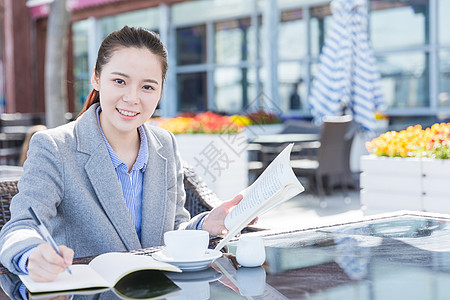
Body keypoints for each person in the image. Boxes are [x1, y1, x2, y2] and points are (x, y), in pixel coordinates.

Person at [0, 26, 247, 283]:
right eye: (120, 81)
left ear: (161, 89)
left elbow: (172, 231)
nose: (132, 98)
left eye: (148, 87)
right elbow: (20, 226)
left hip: (156, 291)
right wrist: (31, 254)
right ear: (96, 78)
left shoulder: (164, 144)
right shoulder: (54, 146)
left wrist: (203, 225)